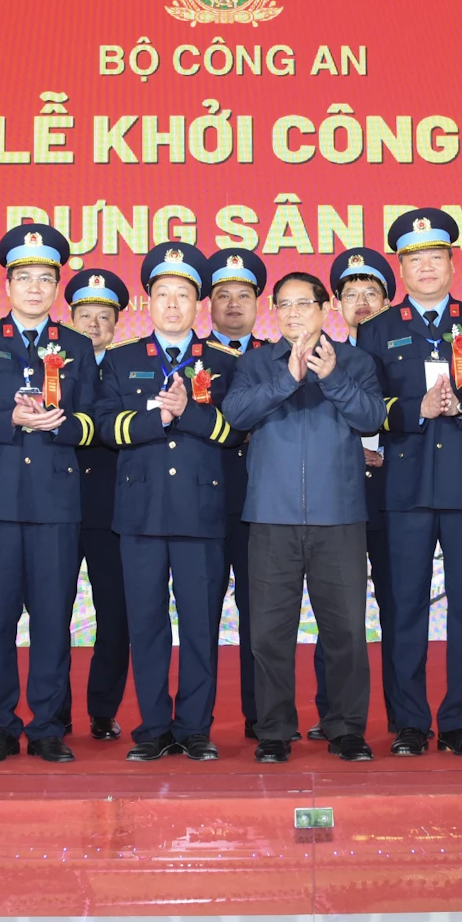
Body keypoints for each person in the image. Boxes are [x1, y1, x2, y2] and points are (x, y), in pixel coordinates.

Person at [0, 224, 102, 763]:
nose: (35, 288)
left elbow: (94, 423)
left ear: (57, 287)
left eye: (45, 279)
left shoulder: (76, 345)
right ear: (8, 285)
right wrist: (7, 420)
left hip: (56, 501)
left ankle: (49, 724)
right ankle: (0, 725)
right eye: (24, 278)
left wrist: (60, 424)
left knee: (54, 617)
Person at [357, 209, 462, 758]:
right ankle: (410, 722)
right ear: (402, 266)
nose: (425, 267)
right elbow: (369, 407)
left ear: (451, 262)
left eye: (435, 257)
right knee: (404, 606)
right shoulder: (377, 330)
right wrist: (415, 410)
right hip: (405, 487)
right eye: (414, 259)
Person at [222, 270, 384, 763]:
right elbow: (235, 415)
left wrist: (331, 377)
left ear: (323, 308)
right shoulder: (254, 363)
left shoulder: (355, 360)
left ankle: (346, 727)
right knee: (270, 632)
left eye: (303, 305)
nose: (293, 314)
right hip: (272, 517)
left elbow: (372, 418)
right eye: (284, 306)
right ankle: (274, 728)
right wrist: (287, 378)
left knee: (346, 631)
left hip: (339, 517)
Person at [95, 243, 237, 761]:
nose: (173, 304)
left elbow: (236, 432)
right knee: (147, 624)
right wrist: (159, 419)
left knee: (200, 624)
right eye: (163, 294)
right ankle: (153, 727)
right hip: (140, 514)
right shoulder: (121, 360)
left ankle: (195, 726)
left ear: (199, 303)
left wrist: (190, 414)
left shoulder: (223, 362)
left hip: (202, 512)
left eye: (183, 295)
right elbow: (106, 427)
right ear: (146, 301)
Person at [324, 245, 403, 735]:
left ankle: (402, 716)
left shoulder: (402, 352)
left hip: (394, 494)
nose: (361, 303)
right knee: (336, 611)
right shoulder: (323, 357)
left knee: (397, 607)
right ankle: (334, 715)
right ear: (336, 305)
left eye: (371, 293)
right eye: (350, 294)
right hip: (341, 494)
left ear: (388, 301)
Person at [203, 251, 269, 734]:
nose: (232, 305)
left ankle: (261, 716)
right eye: (222, 295)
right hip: (202, 504)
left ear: (257, 303)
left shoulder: (274, 357)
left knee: (261, 620)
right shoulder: (190, 356)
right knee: (200, 615)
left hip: (262, 505)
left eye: (242, 296)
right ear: (207, 303)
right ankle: (194, 721)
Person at [65, 265, 132, 740]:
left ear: (117, 322)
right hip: (59, 507)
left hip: (113, 509)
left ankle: (102, 709)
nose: (93, 324)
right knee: (50, 615)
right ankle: (52, 712)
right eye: (84, 315)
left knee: (116, 615)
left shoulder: (131, 368)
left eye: (102, 316)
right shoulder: (50, 365)